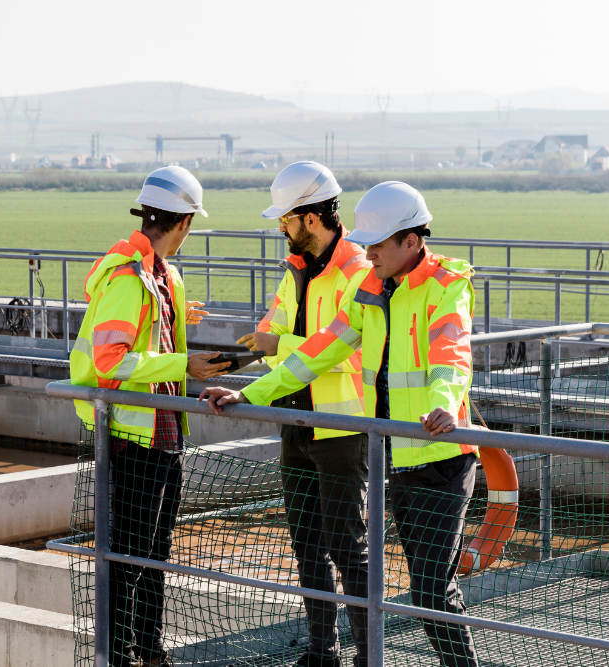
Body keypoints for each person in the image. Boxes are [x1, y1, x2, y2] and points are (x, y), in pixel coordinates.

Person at [200, 181, 480, 667]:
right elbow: (316, 352)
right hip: (396, 456)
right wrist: (248, 393)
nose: (367, 251)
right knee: (425, 592)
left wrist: (442, 404)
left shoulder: (445, 286)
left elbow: (451, 355)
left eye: (377, 244)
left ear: (411, 242)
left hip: (441, 456)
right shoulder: (373, 288)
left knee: (432, 592)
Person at [70, 166, 231, 667]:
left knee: (154, 551)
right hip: (134, 436)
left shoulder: (160, 276)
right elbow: (109, 361)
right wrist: (185, 362)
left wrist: (178, 316)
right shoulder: (128, 279)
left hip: (161, 433)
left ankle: (150, 651)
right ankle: (119, 656)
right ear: (182, 222)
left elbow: (142, 335)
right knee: (129, 555)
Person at [239, 161, 372, 667]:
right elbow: (270, 338)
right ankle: (323, 653)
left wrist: (280, 345)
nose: (281, 228)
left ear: (311, 218)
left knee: (349, 549)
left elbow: (352, 354)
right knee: (307, 546)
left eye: (286, 219)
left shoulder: (358, 272)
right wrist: (262, 351)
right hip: (296, 422)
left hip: (341, 428)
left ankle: (368, 656)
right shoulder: (295, 271)